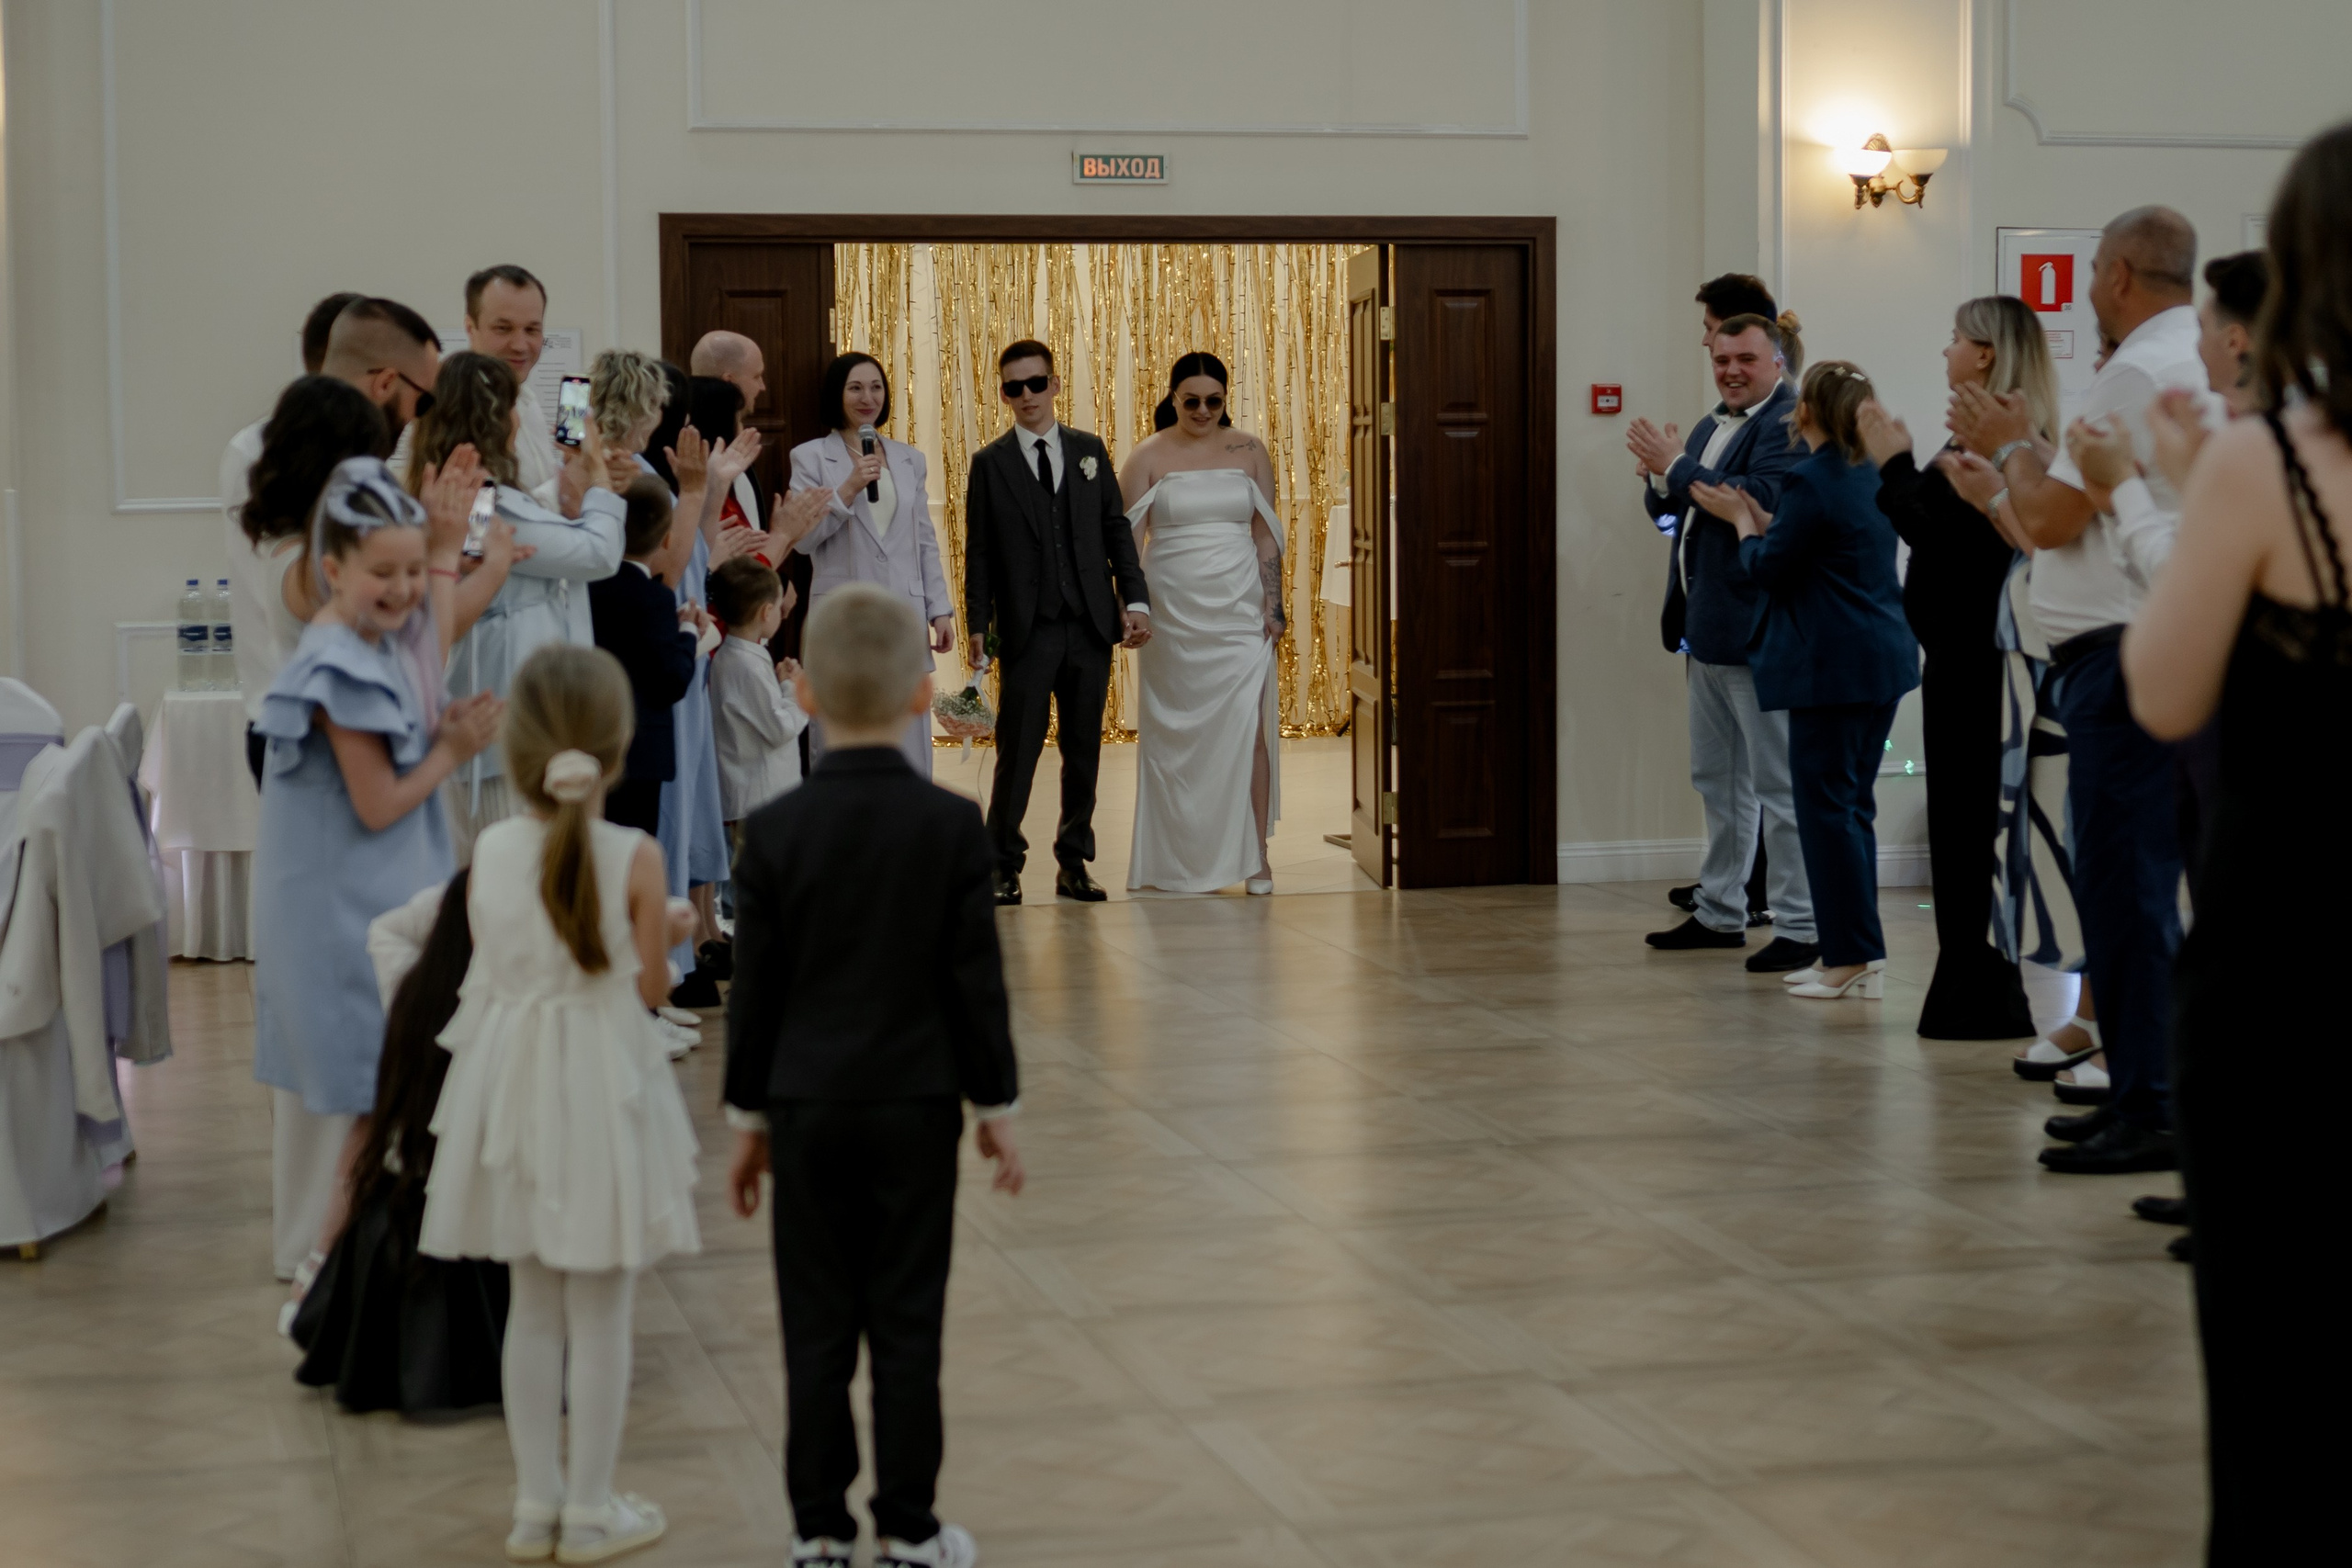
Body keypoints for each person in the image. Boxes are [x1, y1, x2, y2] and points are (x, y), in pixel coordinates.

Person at [2119, 119, 2351, 1561]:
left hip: (2289, 959)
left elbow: (2164, 690)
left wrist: (2180, 480)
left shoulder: (2273, 466)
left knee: (2279, 1344)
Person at [723, 583, 1022, 1568]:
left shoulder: (773, 836)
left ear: (803, 696)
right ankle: (909, 1524)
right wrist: (996, 1107)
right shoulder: (950, 828)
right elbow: (973, 984)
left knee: (813, 1323)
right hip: (914, 1103)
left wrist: (746, 1122)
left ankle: (817, 1531)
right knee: (906, 1319)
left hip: (804, 1108)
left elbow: (755, 995)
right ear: (916, 695)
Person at [420, 643, 702, 1565]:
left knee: (532, 1306)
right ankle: (590, 1510)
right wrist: (669, 930)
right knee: (602, 1312)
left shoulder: (492, 846)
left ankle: (533, 1504)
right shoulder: (635, 853)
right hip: (602, 1093)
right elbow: (650, 993)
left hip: (510, 1093)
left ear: (520, 749)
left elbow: (505, 958)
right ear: (617, 751)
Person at [1947, 206, 2206, 1176]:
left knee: (2125, 889)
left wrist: (2015, 447)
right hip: (2124, 647)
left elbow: (2053, 518)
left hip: (2121, 651)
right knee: (2120, 885)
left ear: (2119, 275)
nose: (2090, 283)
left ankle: (2153, 1104)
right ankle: (2138, 1091)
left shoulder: (2137, 369)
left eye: (2096, 267)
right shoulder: (2168, 358)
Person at [252, 458, 504, 1303]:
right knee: (372, 1102)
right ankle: (323, 1281)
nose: (403, 593)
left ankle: (347, 1276)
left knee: (383, 1104)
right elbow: (380, 801)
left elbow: (423, 657)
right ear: (333, 569)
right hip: (343, 916)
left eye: (410, 572)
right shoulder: (336, 670)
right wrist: (454, 751)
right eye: (384, 574)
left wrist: (441, 553)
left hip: (370, 900)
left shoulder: (363, 642)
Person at [1856, 296, 2056, 1038]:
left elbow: (1934, 530)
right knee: (1965, 830)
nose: (1945, 352)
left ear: (1983, 354)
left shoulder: (2005, 442)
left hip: (1983, 662)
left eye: (1954, 340)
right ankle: (1971, 988)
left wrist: (1892, 463)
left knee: (1972, 830)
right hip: (1963, 659)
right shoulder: (1978, 437)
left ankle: (1983, 993)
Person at [1695, 362, 1918, 998]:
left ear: (1806, 414)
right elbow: (1821, 549)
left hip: (1832, 667)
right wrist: (1768, 525)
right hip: (1883, 659)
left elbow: (1769, 567)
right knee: (1854, 808)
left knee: (1825, 810)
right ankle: (1861, 955)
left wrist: (1742, 522)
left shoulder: (1811, 477)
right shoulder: (1869, 470)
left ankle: (1845, 957)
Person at [1625, 316, 1816, 966]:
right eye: (1722, 358)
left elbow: (1755, 500)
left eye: (1746, 359)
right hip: (1704, 630)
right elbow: (1676, 512)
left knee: (1779, 787)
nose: (1731, 370)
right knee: (1717, 779)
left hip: (1759, 631)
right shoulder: (1712, 424)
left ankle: (1798, 925)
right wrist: (1660, 478)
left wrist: (1675, 466)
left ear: (1778, 364)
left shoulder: (1788, 424)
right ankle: (1721, 910)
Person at [289, 869, 509, 1416]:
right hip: (471, 1228)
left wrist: (463, 893)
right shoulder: (507, 1016)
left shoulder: (409, 993)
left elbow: (387, 927)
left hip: (392, 1223)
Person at [411, 351, 629, 854]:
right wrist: (595, 474)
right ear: (495, 416)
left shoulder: (475, 495)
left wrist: (573, 481)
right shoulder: (487, 501)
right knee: (519, 869)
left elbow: (544, 527)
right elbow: (596, 553)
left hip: (504, 709)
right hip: (505, 720)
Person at [962, 338, 1151, 904]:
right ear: (1003, 395)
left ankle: (1074, 863)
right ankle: (1002, 865)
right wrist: (979, 623)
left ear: (1055, 384)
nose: (1027, 396)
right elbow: (980, 553)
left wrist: (1134, 601)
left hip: (1090, 625)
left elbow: (1117, 531)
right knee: (1016, 752)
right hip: (1027, 629)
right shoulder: (989, 464)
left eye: (1036, 383)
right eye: (1013, 388)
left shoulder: (1089, 449)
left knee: (1084, 750)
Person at [227, 297, 441, 760]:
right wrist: (434, 552)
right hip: (302, 716)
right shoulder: (305, 567)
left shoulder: (312, 545)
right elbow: (395, 618)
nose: (417, 418)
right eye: (422, 399)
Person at [1117, 352, 1286, 895]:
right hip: (1174, 612)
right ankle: (1181, 855)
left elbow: (1265, 531)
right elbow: (1127, 542)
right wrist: (1133, 607)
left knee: (1251, 732)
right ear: (1172, 398)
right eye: (1191, 400)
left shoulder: (1250, 450)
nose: (1203, 410)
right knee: (1176, 736)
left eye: (1214, 400)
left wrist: (1273, 602)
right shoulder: (1147, 455)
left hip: (1239, 608)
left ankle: (1255, 854)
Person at [786, 354, 956, 775]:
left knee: (909, 730)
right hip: (843, 613)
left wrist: (940, 608)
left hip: (904, 609)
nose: (868, 398)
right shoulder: (809, 458)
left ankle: (912, 827)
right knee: (837, 723)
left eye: (876, 387)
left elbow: (922, 540)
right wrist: (847, 488)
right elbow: (803, 539)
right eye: (856, 388)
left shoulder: (908, 459)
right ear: (837, 395)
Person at [589, 477, 702, 836]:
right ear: (666, 539)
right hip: (641, 752)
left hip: (592, 740)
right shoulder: (655, 598)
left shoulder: (588, 587)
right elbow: (669, 679)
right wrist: (688, 634)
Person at [707, 555, 808, 823]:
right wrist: (796, 691)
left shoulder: (734, 655)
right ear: (765, 612)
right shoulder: (746, 665)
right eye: (777, 607)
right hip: (760, 801)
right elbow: (779, 728)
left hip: (756, 798)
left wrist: (784, 684)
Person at [462, 265, 562, 508]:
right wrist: (577, 482)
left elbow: (535, 486)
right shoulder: (458, 406)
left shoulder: (525, 399)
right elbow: (483, 515)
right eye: (503, 328)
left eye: (531, 329)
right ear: (470, 328)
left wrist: (591, 469)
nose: (520, 345)